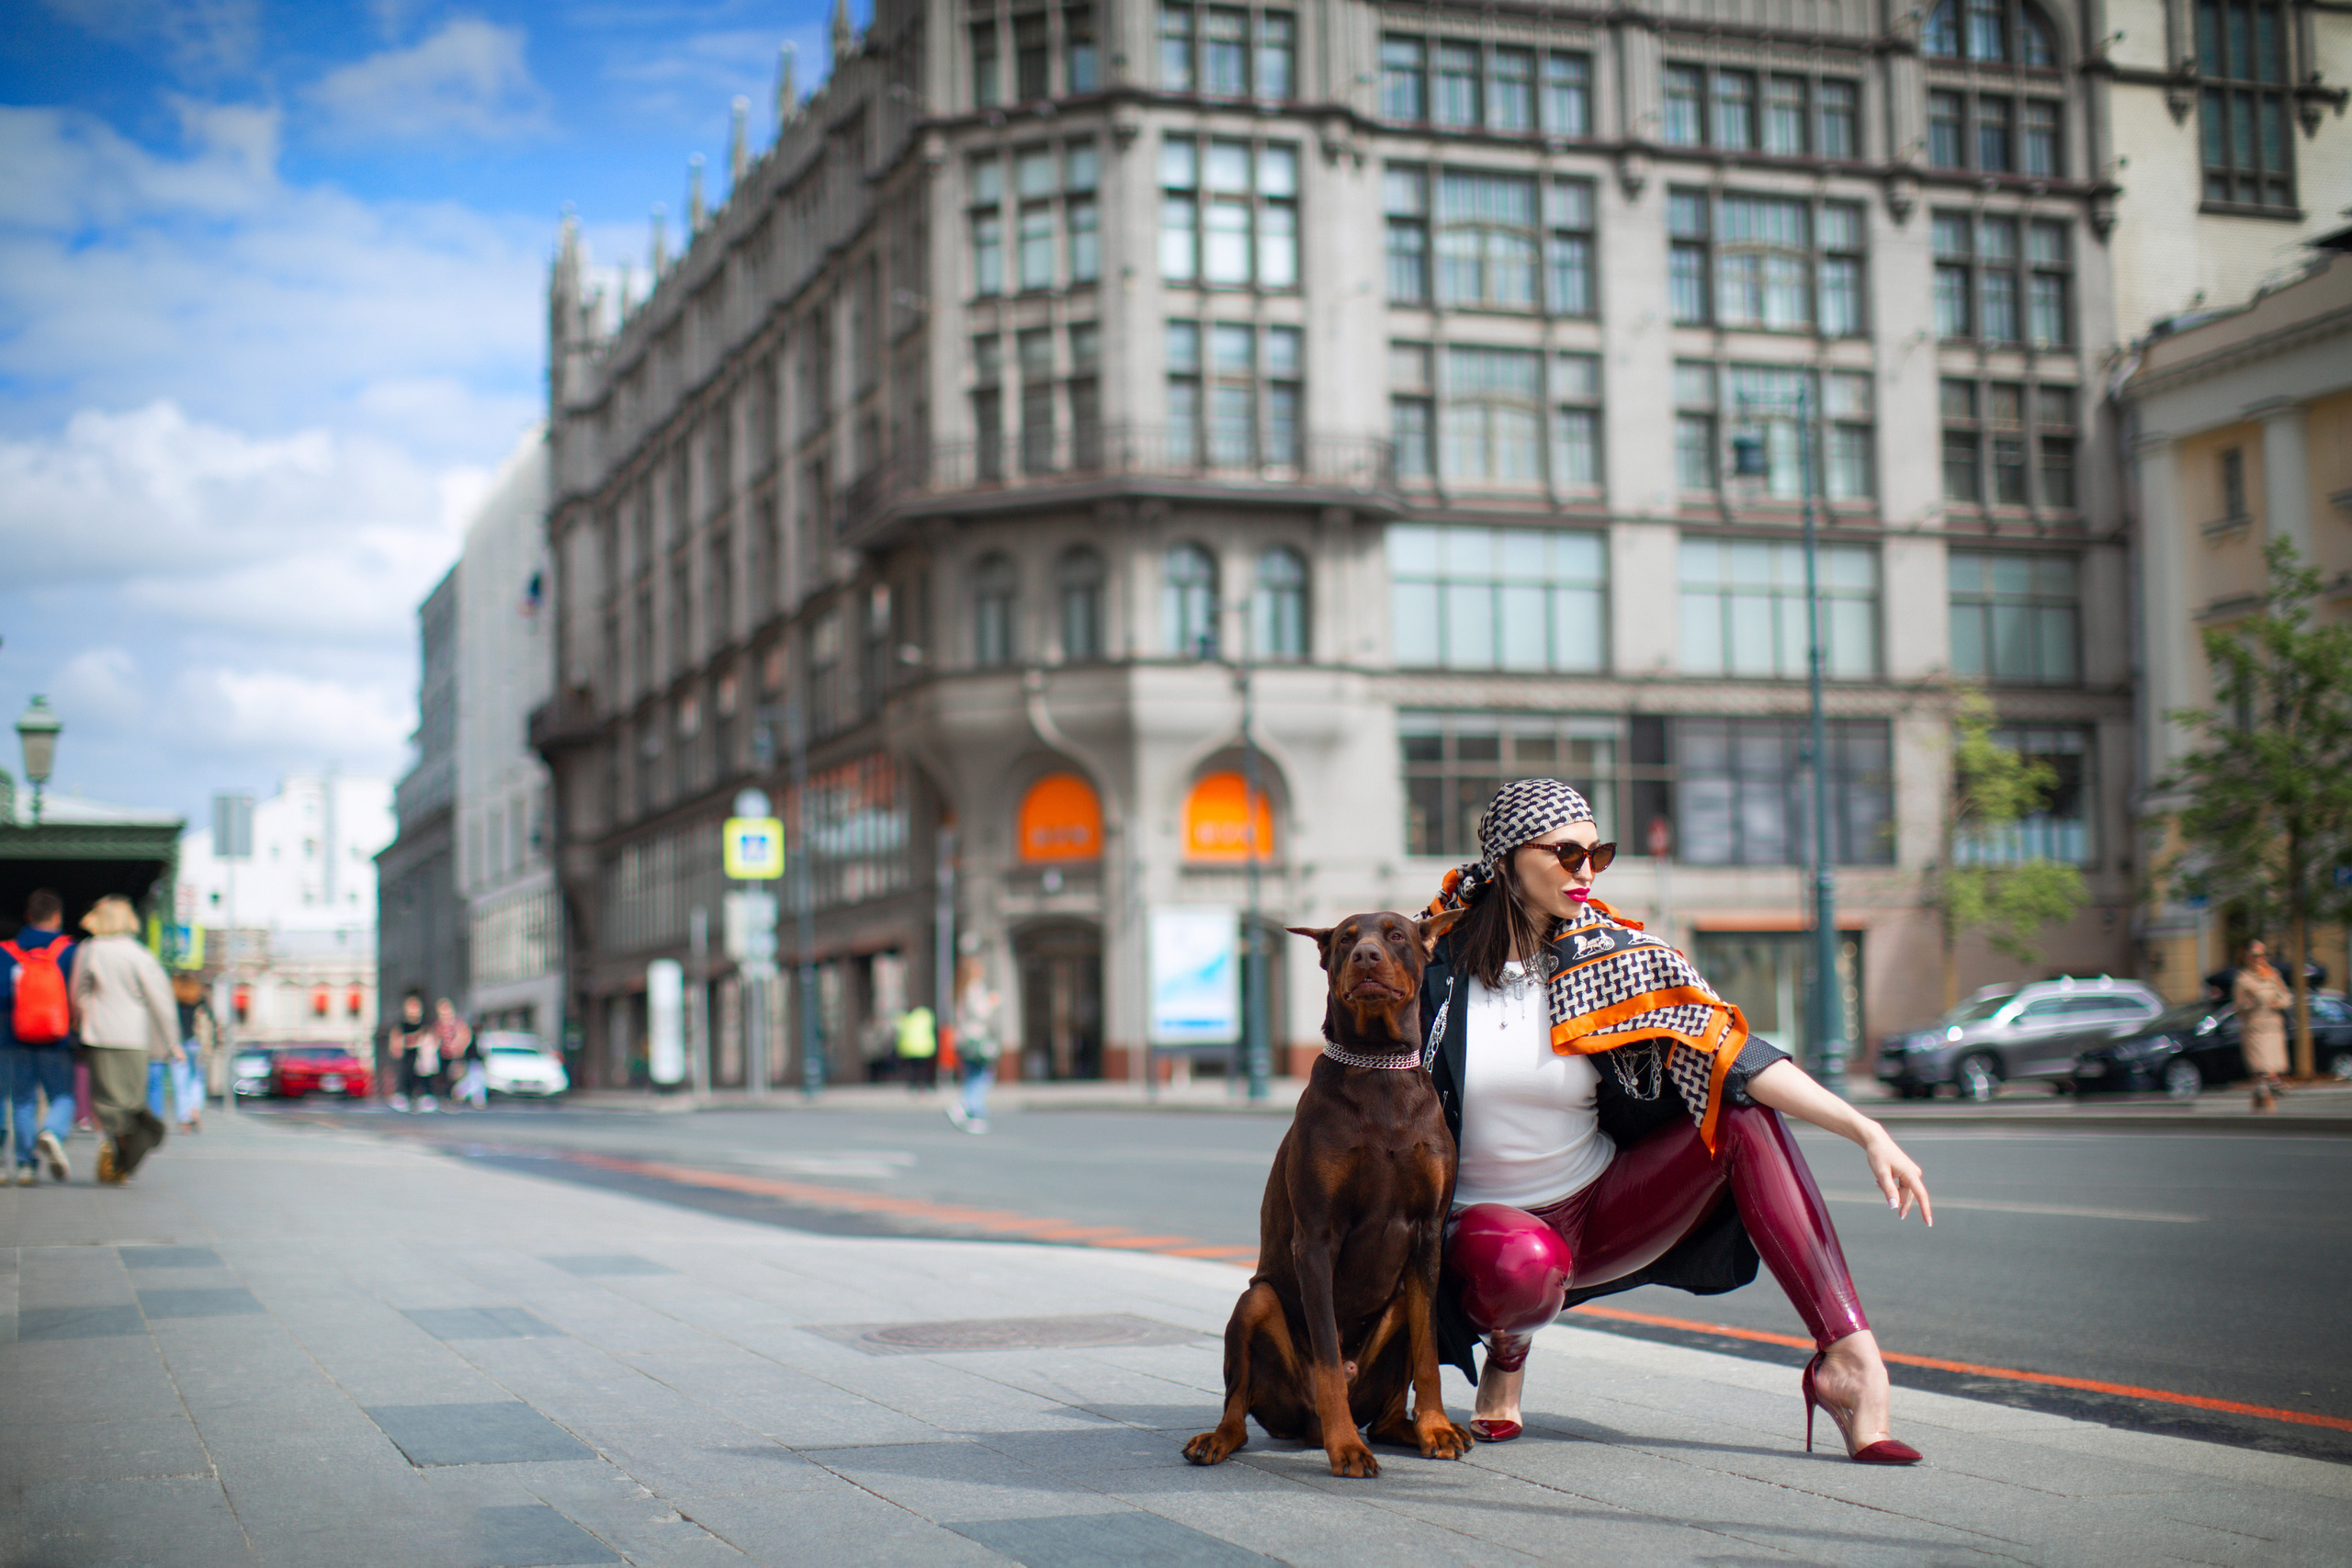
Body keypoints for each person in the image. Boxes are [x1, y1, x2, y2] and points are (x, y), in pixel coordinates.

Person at [1421, 780, 1934, 1462]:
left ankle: (1848, 1358)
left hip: (1601, 1208)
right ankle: (1507, 1355)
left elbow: (1734, 1053)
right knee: (1523, 1263)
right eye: (1566, 852)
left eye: (1597, 853)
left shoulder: (1615, 958)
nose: (1585, 871)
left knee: (1738, 1110)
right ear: (1511, 857)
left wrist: (1868, 1130)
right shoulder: (1433, 970)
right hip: (1489, 1235)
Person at [69, 896, 181, 1183]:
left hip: (100, 1034)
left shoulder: (90, 949)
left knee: (108, 1102)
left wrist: (80, 1018)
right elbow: (161, 1001)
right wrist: (173, 1041)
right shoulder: (140, 954)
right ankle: (132, 1147)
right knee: (131, 1100)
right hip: (134, 1037)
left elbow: (77, 993)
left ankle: (118, 1153)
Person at [2, 889, 80, 1185]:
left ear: (28, 916)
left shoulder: (7, 951)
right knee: (62, 1095)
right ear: (57, 916)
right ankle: (51, 1132)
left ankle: (25, 1166)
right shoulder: (69, 950)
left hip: (15, 1037)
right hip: (56, 1038)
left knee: (22, 1100)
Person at [2233, 940, 2291, 1112]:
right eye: (2255, 955)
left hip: (2273, 1025)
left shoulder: (2273, 974)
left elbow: (2287, 996)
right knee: (2262, 1064)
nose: (2260, 959)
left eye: (2263, 955)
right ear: (2248, 957)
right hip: (2255, 1026)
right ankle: (2272, 1086)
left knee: (2273, 1063)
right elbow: (2238, 1006)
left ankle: (2260, 1096)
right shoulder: (2243, 979)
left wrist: (2279, 1003)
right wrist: (2249, 1004)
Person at [947, 960, 1002, 1134]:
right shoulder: (975, 987)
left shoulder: (961, 989)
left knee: (972, 1075)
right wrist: (992, 1002)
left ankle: (972, 1114)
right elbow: (979, 1012)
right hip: (977, 1039)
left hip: (965, 1039)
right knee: (983, 1075)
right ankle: (967, 1106)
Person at [169, 975, 216, 1133]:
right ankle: (195, 1112)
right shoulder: (199, 1001)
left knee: (181, 1082)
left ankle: (184, 1119)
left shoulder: (172, 1002)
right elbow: (211, 1021)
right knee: (196, 1080)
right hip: (197, 1043)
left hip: (178, 1044)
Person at [894, 1003, 938, 1090]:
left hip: (911, 1049)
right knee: (925, 1068)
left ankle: (914, 1084)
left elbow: (899, 1031)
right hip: (926, 1048)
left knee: (914, 1068)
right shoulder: (926, 1015)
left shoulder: (906, 1018)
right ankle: (928, 1083)